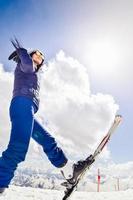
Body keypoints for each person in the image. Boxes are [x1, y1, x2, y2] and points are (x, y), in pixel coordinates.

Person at [0, 38, 90, 193]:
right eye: (37, 53)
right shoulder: (26, 64)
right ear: (30, 55)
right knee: (18, 147)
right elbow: (27, 64)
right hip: (22, 104)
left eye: (42, 56)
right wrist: (22, 52)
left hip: (27, 109)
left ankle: (69, 171)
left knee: (48, 141)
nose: (40, 56)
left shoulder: (34, 71)